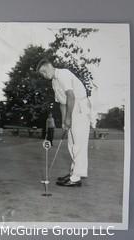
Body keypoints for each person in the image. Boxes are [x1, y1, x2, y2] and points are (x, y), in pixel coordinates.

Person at [37, 57, 91, 187]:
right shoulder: (54, 82)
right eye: (42, 74)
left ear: (50, 66)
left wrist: (68, 118)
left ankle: (76, 178)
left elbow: (71, 97)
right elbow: (62, 103)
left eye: (44, 71)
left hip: (79, 108)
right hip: (71, 108)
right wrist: (64, 121)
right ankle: (74, 172)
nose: (44, 75)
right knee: (71, 144)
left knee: (79, 143)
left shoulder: (63, 74)